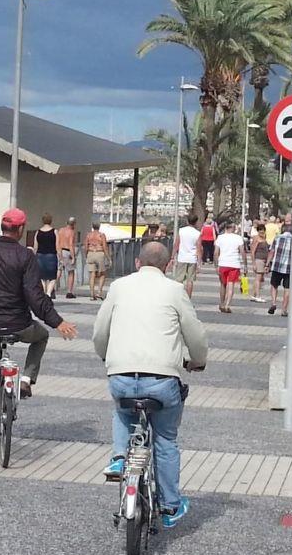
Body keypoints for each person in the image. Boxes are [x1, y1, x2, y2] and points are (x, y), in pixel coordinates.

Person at [94, 238, 207, 528]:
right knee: (165, 439)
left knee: (123, 411)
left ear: (137, 262)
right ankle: (170, 506)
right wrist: (197, 360)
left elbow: (100, 330)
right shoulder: (175, 290)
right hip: (162, 379)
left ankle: (119, 457)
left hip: (121, 375)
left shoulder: (119, 286)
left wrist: (106, 355)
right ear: (168, 265)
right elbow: (195, 334)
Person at [0, 207, 77, 440]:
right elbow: (35, 296)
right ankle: (25, 379)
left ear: (3, 227)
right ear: (21, 229)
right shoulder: (25, 256)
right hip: (19, 325)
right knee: (41, 336)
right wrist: (57, 322)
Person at [214, 219, 246, 313]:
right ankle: (227, 305)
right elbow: (242, 252)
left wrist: (216, 265)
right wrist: (245, 265)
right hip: (234, 264)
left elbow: (216, 253)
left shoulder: (220, 238)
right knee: (231, 284)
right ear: (233, 228)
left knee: (223, 284)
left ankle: (222, 303)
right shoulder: (238, 238)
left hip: (223, 263)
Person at [267, 224, 292, 315]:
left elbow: (272, 251)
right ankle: (284, 310)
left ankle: (273, 303)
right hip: (290, 268)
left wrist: (267, 264)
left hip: (277, 266)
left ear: (282, 229)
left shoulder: (277, 238)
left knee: (274, 285)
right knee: (287, 289)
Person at [174, 214, 202, 297]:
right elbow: (199, 248)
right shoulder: (197, 233)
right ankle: (188, 298)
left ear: (187, 221)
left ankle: (178, 296)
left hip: (182, 257)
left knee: (179, 279)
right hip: (192, 258)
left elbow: (176, 244)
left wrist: (173, 256)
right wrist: (199, 262)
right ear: (196, 222)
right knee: (190, 281)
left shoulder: (181, 231)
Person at [85, 221, 111, 299]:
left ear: (92, 227)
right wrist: (108, 258)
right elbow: (105, 247)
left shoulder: (88, 235)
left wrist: (86, 255)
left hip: (90, 253)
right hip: (99, 253)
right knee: (102, 273)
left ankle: (92, 294)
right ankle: (99, 292)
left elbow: (86, 246)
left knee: (92, 274)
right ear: (99, 226)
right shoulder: (101, 235)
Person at [33, 213, 60, 285]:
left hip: (40, 256)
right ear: (51, 221)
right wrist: (60, 258)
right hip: (51, 256)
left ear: (42, 221)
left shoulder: (38, 232)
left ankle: (44, 291)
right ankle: (48, 291)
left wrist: (34, 257)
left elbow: (35, 247)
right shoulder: (54, 231)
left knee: (42, 277)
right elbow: (57, 246)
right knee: (52, 277)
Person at [56, 216, 79, 298]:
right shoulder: (71, 232)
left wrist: (59, 252)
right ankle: (69, 292)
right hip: (67, 251)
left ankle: (52, 288)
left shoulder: (61, 230)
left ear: (66, 223)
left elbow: (57, 242)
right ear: (74, 224)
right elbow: (70, 244)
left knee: (59, 270)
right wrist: (73, 257)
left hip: (60, 251)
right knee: (71, 272)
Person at [250, 229, 272, 303]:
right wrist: (253, 263)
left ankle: (254, 294)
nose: (262, 232)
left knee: (260, 278)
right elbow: (252, 252)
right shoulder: (256, 239)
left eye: (263, 230)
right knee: (258, 278)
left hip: (263, 260)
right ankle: (257, 296)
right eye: (260, 231)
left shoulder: (264, 239)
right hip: (258, 260)